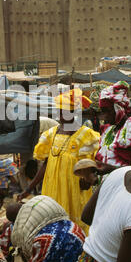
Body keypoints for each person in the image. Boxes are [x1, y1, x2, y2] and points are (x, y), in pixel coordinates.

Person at [18, 88, 100, 232]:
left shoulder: (86, 136)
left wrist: (87, 181)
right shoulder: (50, 134)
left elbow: (89, 169)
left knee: (73, 228)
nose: (62, 115)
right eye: (60, 111)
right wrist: (28, 189)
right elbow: (45, 165)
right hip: (52, 189)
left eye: (66, 111)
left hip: (73, 191)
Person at [95, 81, 131, 175]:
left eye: (107, 111)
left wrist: (113, 169)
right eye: (102, 112)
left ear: (118, 107)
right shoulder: (108, 131)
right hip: (107, 187)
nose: (105, 116)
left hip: (129, 186)